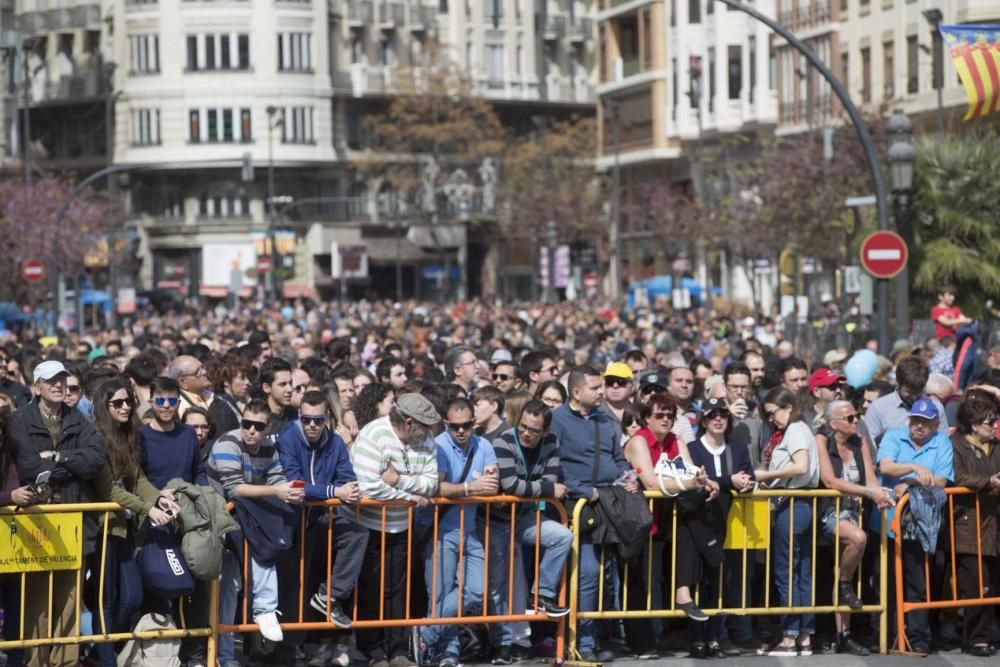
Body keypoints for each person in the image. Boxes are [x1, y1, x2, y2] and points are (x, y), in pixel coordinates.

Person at [12, 360, 106, 667]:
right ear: (36, 386)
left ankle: (65, 662)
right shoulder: (20, 420)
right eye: (51, 380)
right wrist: (69, 467)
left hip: (74, 521)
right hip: (36, 521)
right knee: (37, 600)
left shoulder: (78, 418)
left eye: (62, 380)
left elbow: (95, 458)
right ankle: (35, 662)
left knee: (69, 600)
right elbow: (28, 466)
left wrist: (57, 457)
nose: (58, 385)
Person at [552, 365, 639, 663]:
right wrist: (579, 489)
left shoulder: (606, 421)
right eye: (595, 387)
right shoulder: (557, 420)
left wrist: (628, 475)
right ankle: (582, 642)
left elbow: (617, 459)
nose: (601, 392)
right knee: (587, 574)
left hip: (609, 506)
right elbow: (555, 465)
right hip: (577, 508)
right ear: (576, 392)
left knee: (603, 577)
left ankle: (598, 636)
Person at [91, 378, 180, 667]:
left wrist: (158, 500)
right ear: (105, 407)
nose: (126, 407)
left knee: (131, 598)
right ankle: (105, 659)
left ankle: (99, 650)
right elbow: (110, 490)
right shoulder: (97, 436)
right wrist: (149, 509)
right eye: (117, 402)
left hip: (124, 528)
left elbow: (138, 479)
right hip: (103, 528)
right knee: (106, 601)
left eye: (128, 401)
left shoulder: (129, 434)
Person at [277, 390, 369, 664]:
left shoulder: (336, 442)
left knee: (358, 533)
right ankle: (289, 649)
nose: (312, 426)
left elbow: (348, 479)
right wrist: (333, 491)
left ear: (328, 418)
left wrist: (340, 491)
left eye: (318, 420)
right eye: (306, 419)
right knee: (295, 587)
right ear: (300, 417)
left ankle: (330, 596)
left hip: (324, 517)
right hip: (293, 522)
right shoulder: (289, 438)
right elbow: (296, 483)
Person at [208, 398, 305, 645]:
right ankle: (263, 609)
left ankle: (228, 653)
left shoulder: (269, 449)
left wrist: (287, 492)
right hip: (215, 519)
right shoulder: (227, 443)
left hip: (242, 516)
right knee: (218, 590)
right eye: (246, 423)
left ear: (268, 429)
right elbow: (234, 489)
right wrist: (277, 492)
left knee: (231, 588)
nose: (251, 430)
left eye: (258, 426)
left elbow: (276, 480)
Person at [352, 394, 439, 667]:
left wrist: (398, 480)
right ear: (409, 423)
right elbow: (367, 485)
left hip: (401, 525)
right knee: (369, 589)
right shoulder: (373, 434)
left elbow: (432, 482)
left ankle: (399, 650)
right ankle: (372, 651)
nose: (429, 432)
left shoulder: (426, 441)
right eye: (424, 426)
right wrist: (409, 497)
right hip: (368, 524)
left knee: (398, 591)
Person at [486, 400, 572, 664]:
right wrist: (545, 490)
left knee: (562, 536)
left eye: (533, 430)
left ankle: (543, 594)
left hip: (523, 517)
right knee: (503, 583)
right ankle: (501, 643)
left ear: (544, 431)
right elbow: (511, 485)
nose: (525, 433)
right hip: (496, 520)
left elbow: (551, 479)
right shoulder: (503, 441)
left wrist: (540, 488)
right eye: (522, 426)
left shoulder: (552, 443)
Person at [419, 397, 499, 667]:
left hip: (471, 529)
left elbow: (492, 485)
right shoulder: (438, 445)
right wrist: (470, 488)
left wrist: (464, 488)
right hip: (440, 530)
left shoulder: (484, 445)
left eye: (467, 425)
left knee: (476, 591)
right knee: (439, 595)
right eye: (455, 427)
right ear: (446, 424)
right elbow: (437, 488)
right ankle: (448, 653)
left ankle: (426, 632)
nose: (462, 431)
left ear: (474, 423)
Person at [876, 397, 953, 655]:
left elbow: (941, 479)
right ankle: (885, 635)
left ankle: (918, 637)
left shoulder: (941, 441)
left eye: (925, 423)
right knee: (883, 580)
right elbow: (885, 465)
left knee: (918, 582)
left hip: (922, 524)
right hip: (886, 521)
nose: (919, 427)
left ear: (934, 425)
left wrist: (908, 482)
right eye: (915, 421)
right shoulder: (893, 436)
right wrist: (913, 468)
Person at [815, 400, 891, 656]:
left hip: (854, 511)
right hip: (828, 512)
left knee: (840, 569)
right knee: (857, 539)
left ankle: (843, 636)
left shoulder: (859, 442)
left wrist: (879, 493)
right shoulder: (822, 441)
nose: (855, 420)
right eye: (848, 418)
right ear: (832, 423)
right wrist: (869, 491)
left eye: (856, 415)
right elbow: (829, 480)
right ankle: (846, 585)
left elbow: (870, 477)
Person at [687, 398, 755, 658]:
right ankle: (697, 638)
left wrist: (746, 483)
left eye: (723, 415)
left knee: (720, 580)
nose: (718, 419)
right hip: (696, 520)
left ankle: (714, 636)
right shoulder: (692, 448)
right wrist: (729, 480)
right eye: (712, 415)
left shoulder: (737, 448)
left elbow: (747, 477)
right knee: (697, 578)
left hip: (728, 521)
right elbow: (693, 479)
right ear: (703, 420)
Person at [755, 387, 819, 656]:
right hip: (800, 504)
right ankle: (804, 636)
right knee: (801, 571)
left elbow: (801, 465)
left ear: (788, 408)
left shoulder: (794, 430)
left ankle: (790, 637)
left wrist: (766, 476)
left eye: (773, 413)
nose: (771, 419)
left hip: (791, 502)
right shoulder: (801, 429)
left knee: (786, 571)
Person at [949, 389, 1000, 656]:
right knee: (975, 584)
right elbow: (955, 475)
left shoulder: (996, 447)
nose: (993, 426)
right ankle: (974, 638)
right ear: (972, 423)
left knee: (991, 583)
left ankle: (986, 632)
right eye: (988, 421)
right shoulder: (955, 443)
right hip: (967, 524)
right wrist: (987, 482)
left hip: (994, 524)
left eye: (994, 420)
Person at [865, 356, 948, 441]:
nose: (914, 397)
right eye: (909, 392)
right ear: (898, 383)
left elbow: (943, 442)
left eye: (919, 392)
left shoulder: (936, 408)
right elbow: (870, 445)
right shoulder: (879, 408)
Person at [208, 353, 252, 435]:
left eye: (247, 377)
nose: (248, 382)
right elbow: (223, 441)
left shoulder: (229, 403)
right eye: (242, 378)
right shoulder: (221, 407)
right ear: (226, 382)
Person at [260, 357, 298, 435]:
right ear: (266, 388)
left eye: (290, 383)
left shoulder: (296, 416)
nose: (290, 389)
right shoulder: (258, 419)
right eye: (282, 384)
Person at [600, 362, 634, 428]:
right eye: (610, 381)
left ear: (632, 387)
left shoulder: (640, 414)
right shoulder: (593, 413)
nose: (615, 385)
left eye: (621, 381)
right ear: (604, 385)